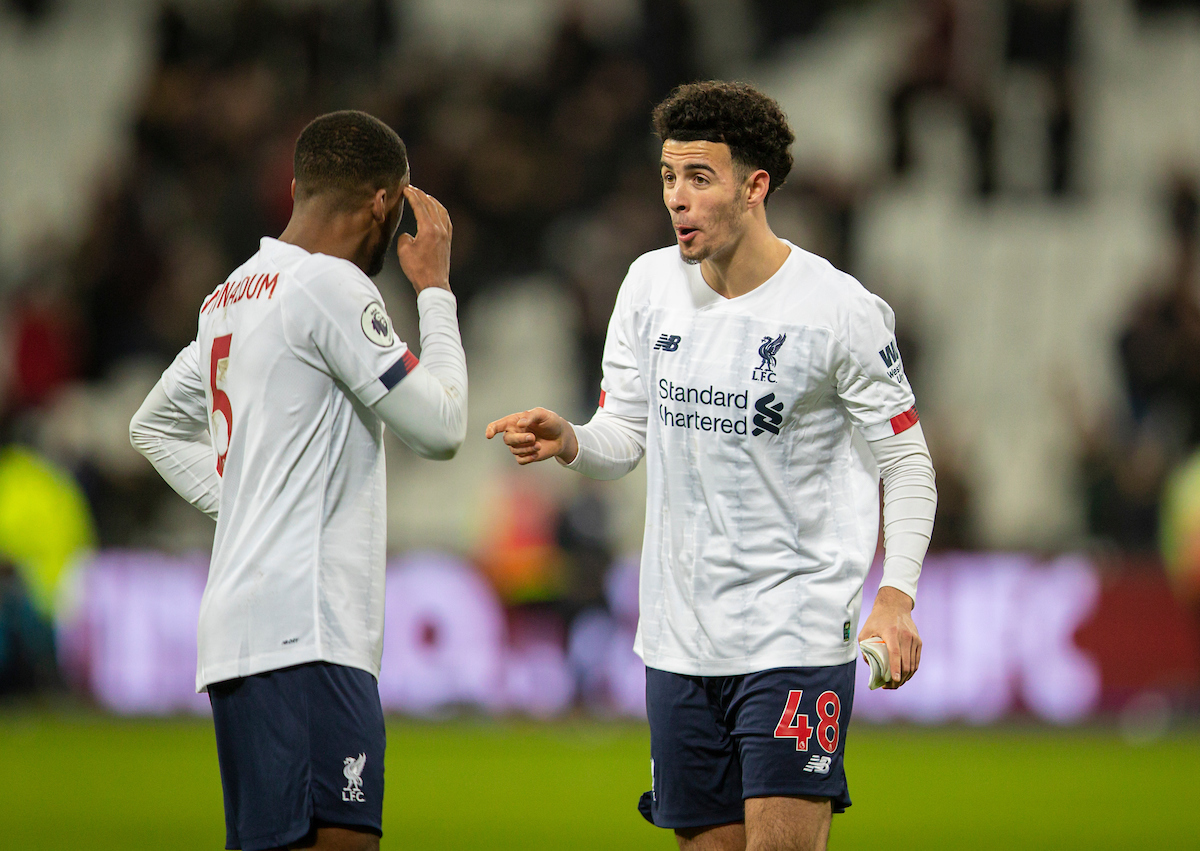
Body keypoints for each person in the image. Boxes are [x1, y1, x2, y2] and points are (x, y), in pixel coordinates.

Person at [487, 81, 936, 851]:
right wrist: (571, 438)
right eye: (668, 176)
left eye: (700, 177)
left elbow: (908, 459)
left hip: (794, 632)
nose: (676, 198)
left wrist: (895, 595)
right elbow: (624, 436)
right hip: (679, 639)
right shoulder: (647, 285)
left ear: (755, 186)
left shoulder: (839, 310)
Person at [130, 110, 467, 851]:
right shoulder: (330, 287)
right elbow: (441, 427)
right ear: (385, 202)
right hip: (309, 632)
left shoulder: (229, 299)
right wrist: (436, 289)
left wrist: (245, 503)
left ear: (296, 187)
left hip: (239, 639)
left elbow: (151, 424)